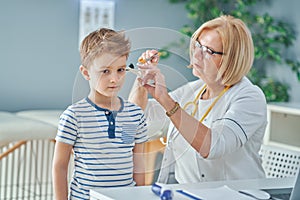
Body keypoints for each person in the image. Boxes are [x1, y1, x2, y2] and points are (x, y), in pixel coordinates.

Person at [129, 15, 267, 184]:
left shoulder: (250, 97)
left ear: (231, 59)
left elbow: (212, 146)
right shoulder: (194, 90)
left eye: (208, 51)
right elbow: (138, 118)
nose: (196, 55)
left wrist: (165, 100)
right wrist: (141, 77)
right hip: (186, 193)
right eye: (197, 45)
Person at [52, 28, 148, 200]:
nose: (115, 79)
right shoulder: (74, 116)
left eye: (120, 70)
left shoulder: (135, 115)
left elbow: (138, 163)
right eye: (105, 71)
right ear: (86, 73)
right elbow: (59, 166)